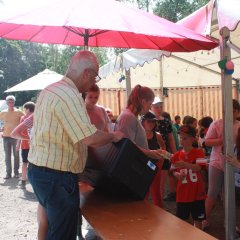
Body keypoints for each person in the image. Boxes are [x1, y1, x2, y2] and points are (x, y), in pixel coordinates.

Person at [27, 50, 124, 240]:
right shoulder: (69, 95)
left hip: (41, 172)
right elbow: (89, 137)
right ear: (86, 73)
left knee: (54, 228)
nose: (93, 84)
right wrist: (113, 136)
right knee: (62, 234)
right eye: (95, 77)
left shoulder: (50, 89)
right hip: (57, 177)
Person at [203, 99, 240, 230]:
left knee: (229, 194)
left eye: (233, 111)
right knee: (212, 191)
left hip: (233, 165)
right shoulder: (217, 124)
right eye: (227, 112)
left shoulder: (239, 126)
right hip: (217, 162)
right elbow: (206, 142)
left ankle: (229, 222)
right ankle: (204, 219)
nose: (230, 114)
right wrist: (220, 140)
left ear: (237, 112)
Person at [11, 113, 48, 240]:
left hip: (36, 162)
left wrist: (31, 139)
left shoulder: (34, 116)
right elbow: (14, 133)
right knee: (47, 209)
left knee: (43, 205)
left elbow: (15, 133)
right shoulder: (37, 116)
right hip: (47, 165)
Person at [171, 125, 206, 229]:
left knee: (198, 220)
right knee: (182, 222)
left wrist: (185, 164)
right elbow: (173, 171)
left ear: (193, 139)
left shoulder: (199, 152)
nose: (182, 140)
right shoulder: (176, 155)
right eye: (180, 137)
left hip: (197, 193)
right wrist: (177, 175)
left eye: (185, 138)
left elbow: (199, 168)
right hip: (183, 193)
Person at [115, 85, 163, 160]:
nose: (150, 108)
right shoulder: (128, 117)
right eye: (150, 104)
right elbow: (127, 146)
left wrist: (150, 152)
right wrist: (149, 153)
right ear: (143, 102)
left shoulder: (131, 116)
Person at [151, 97, 177, 202]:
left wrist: (175, 155)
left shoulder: (166, 122)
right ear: (151, 107)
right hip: (152, 154)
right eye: (156, 107)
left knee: (161, 182)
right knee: (152, 182)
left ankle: (159, 206)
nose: (159, 109)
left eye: (161, 106)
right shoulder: (147, 121)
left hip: (165, 153)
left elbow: (171, 140)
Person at [141, 111, 166, 207]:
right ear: (143, 122)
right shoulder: (140, 134)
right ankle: (143, 211)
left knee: (156, 191)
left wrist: (161, 159)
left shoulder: (157, 135)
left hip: (154, 165)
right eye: (149, 122)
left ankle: (160, 213)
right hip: (143, 165)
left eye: (153, 122)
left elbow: (163, 147)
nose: (151, 124)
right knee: (144, 191)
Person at [0, 95, 24, 179]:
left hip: (16, 137)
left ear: (14, 102)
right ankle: (8, 173)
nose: (11, 103)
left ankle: (16, 173)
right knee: (7, 156)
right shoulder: (3, 112)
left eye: (12, 102)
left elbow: (25, 120)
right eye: (9, 102)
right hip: (6, 136)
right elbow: (3, 122)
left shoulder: (19, 112)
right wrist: (1, 128)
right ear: (6, 103)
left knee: (16, 155)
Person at [15, 102, 35, 189]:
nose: (24, 110)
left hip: (25, 144)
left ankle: (23, 180)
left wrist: (17, 144)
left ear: (27, 109)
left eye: (24, 109)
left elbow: (18, 132)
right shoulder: (37, 117)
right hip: (34, 145)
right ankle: (33, 181)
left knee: (24, 163)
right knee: (34, 164)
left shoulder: (23, 118)